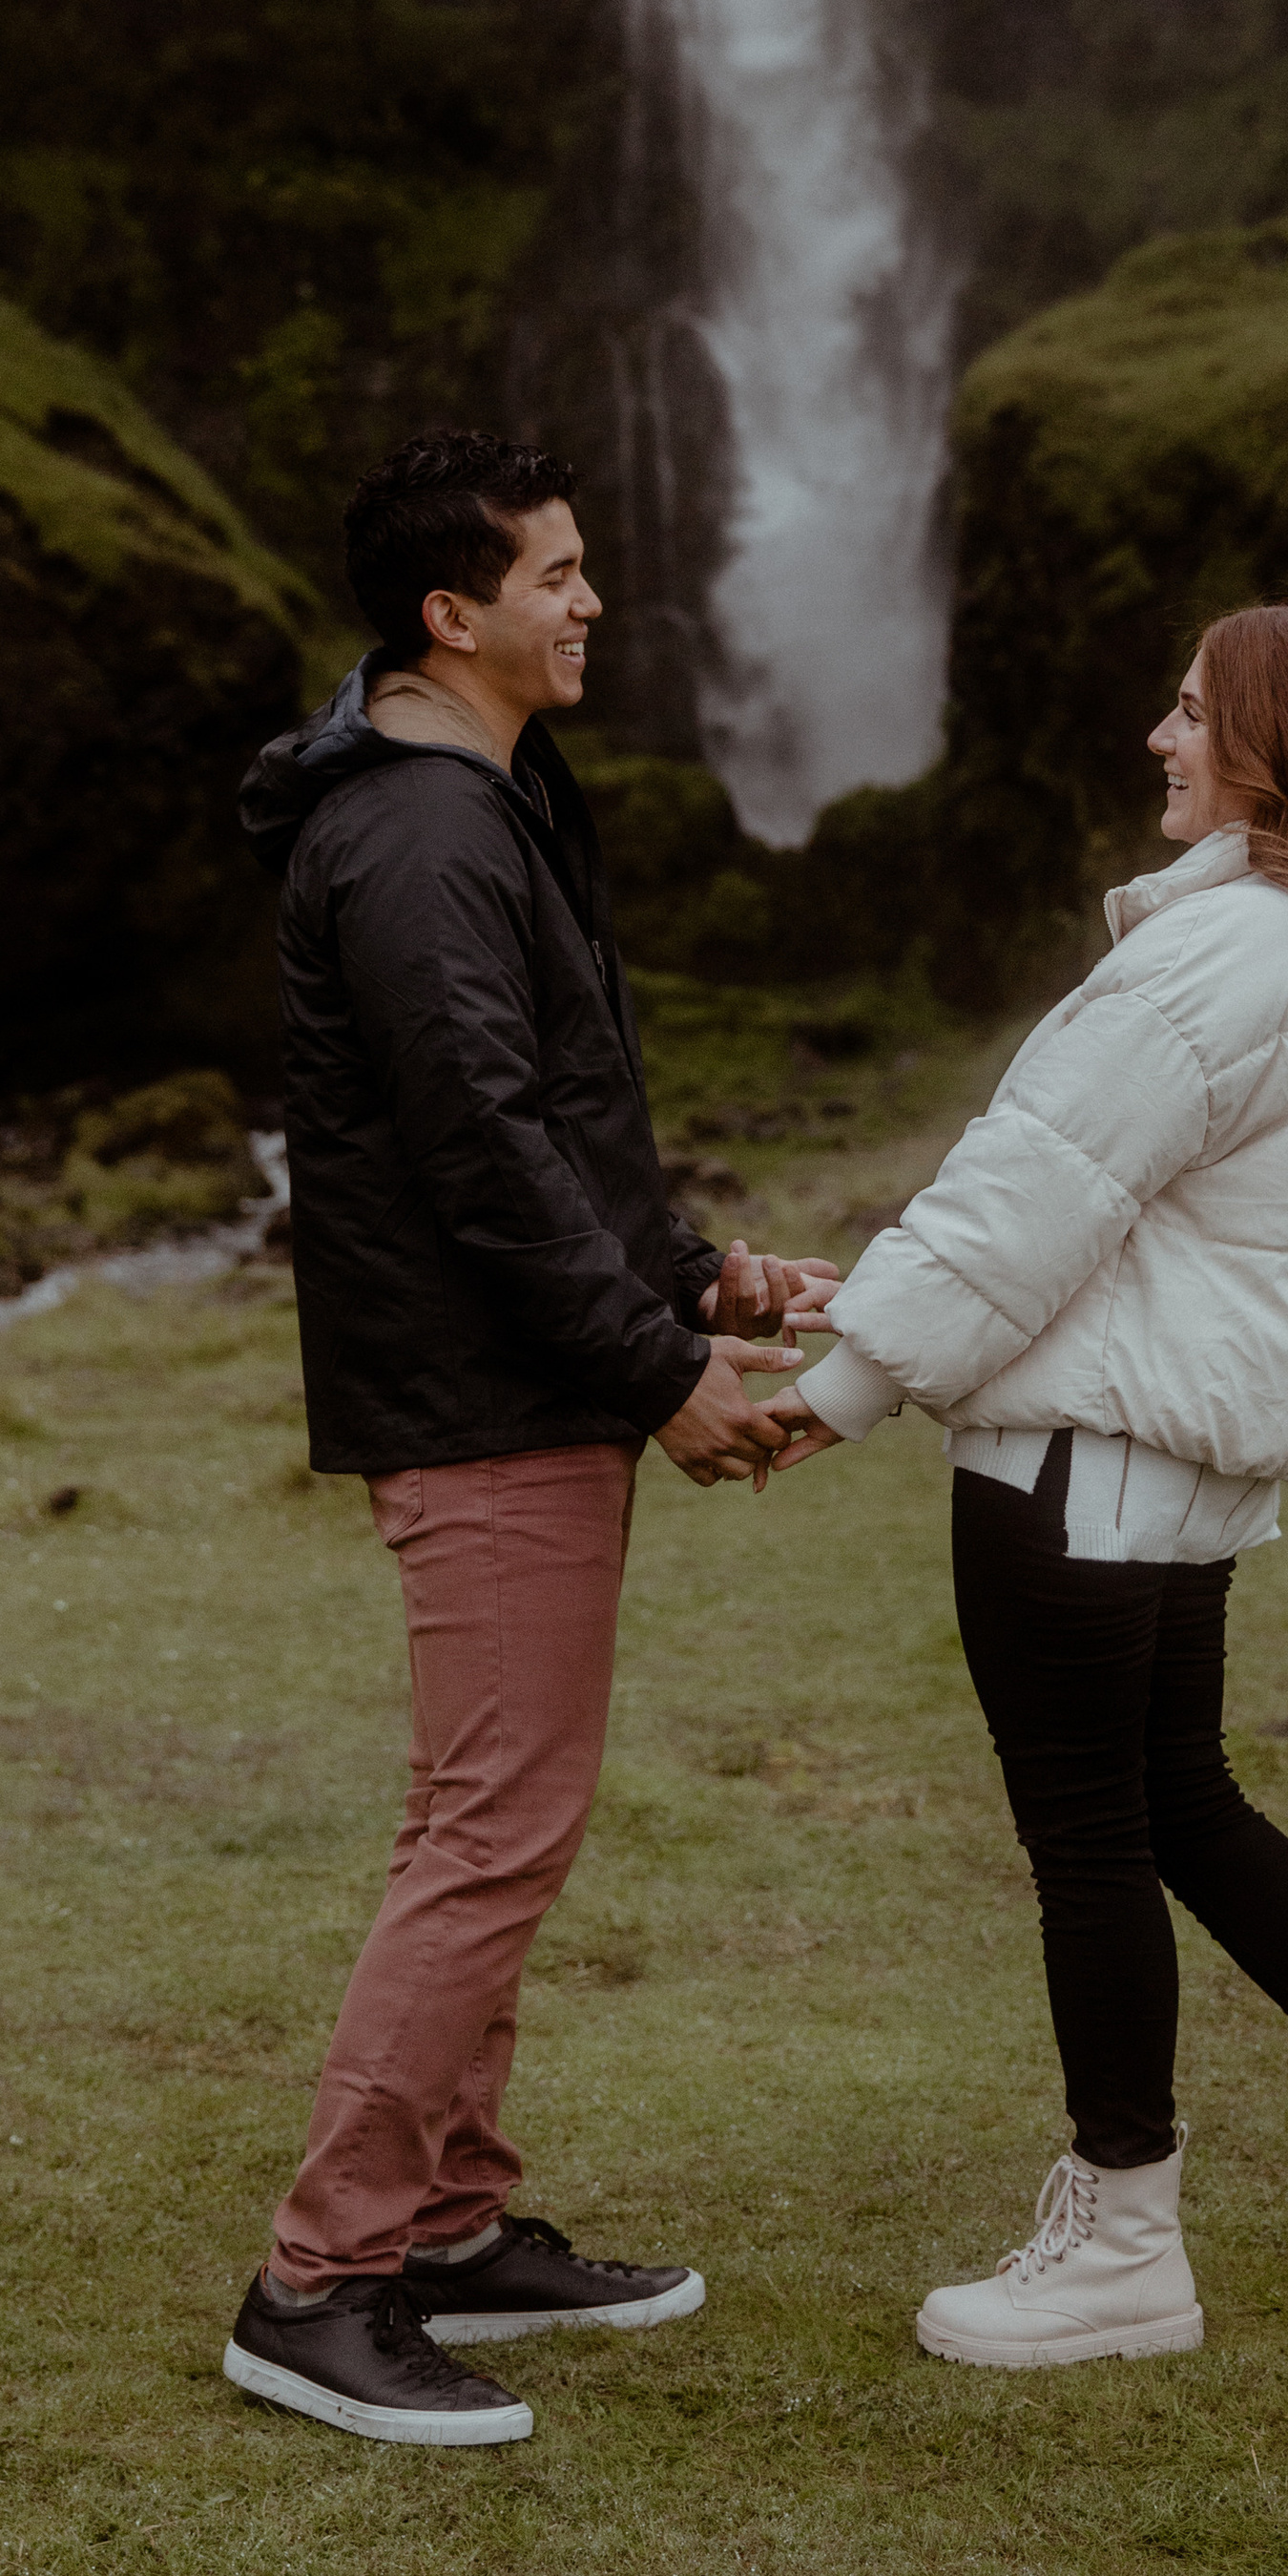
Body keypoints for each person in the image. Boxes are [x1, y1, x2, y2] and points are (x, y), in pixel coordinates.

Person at [764, 600, 1288, 2369]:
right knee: (1183, 1810)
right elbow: (1147, 1228)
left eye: (1195, 710)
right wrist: (888, 1304)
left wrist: (836, 1391)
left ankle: (1126, 2243)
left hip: (1080, 1474)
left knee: (1092, 1845)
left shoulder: (1215, 957)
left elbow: (1027, 1199)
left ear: (1277, 752)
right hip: (1177, 1471)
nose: (1159, 732)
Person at [225, 428, 837, 2448]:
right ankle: (318, 2280)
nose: (591, 604)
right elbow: (477, 1161)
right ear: (449, 612)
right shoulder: (413, 839)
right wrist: (656, 1375)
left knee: (494, 1817)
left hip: (526, 1377)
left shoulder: (479, 805)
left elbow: (555, 1123)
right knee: (491, 1832)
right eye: (559, 575)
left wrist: (696, 1278)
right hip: (488, 1400)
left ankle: (453, 2222)